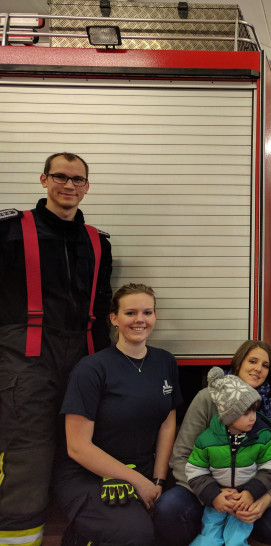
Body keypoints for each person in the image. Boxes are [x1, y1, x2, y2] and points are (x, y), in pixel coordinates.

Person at [0, 152, 112, 544]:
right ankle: (17, 537)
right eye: (61, 177)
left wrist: (101, 363)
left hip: (82, 357)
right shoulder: (10, 230)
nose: (69, 186)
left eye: (78, 179)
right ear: (43, 179)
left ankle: (81, 530)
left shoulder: (97, 242)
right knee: (27, 451)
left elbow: (101, 307)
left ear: (86, 187)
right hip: (23, 356)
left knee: (81, 447)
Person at [53, 283, 181, 545]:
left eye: (147, 312)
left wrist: (157, 480)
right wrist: (138, 482)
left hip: (144, 469)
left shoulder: (165, 361)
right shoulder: (92, 369)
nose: (139, 320)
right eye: (130, 313)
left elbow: (167, 423)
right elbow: (77, 447)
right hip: (88, 474)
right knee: (135, 534)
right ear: (114, 319)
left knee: (175, 520)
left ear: (155, 316)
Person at [155, 340, 271, 546]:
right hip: (205, 485)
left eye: (265, 365)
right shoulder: (207, 398)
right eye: (252, 361)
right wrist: (212, 493)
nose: (258, 368)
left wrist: (263, 499)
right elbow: (181, 455)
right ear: (238, 363)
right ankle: (208, 534)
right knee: (168, 509)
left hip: (254, 489)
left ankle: (237, 530)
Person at [187, 367, 271, 546]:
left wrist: (251, 492)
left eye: (254, 411)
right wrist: (213, 494)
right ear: (229, 416)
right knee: (209, 533)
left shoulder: (262, 436)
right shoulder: (207, 439)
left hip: (245, 499)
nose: (253, 418)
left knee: (236, 537)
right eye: (245, 413)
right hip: (218, 497)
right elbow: (194, 469)